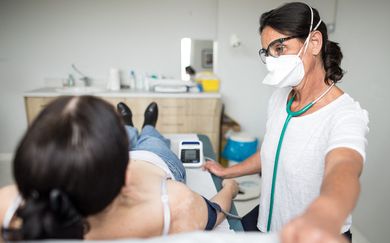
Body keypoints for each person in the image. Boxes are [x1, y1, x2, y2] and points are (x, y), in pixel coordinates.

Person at [204, 2, 369, 243]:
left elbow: (344, 168)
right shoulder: (280, 98)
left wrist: (325, 215)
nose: (272, 59)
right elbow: (271, 152)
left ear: (314, 42)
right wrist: (226, 171)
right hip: (267, 221)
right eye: (267, 52)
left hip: (310, 232)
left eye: (280, 48)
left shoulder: (346, 115)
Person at [0, 96, 239, 240]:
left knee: (127, 135)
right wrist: (230, 186)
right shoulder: (175, 203)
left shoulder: (8, 207)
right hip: (153, 160)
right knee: (152, 140)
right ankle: (146, 126)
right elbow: (216, 210)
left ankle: (126, 125)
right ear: (126, 174)